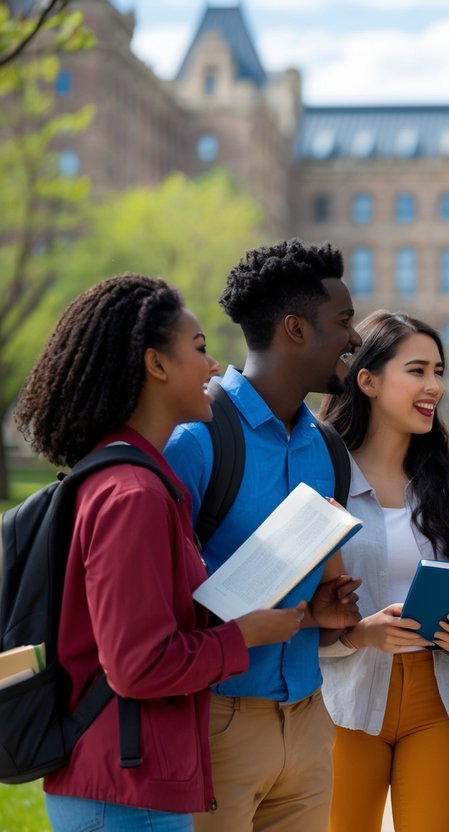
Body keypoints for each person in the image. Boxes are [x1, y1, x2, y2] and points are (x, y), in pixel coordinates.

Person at [15, 275, 304, 831]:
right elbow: (136, 665)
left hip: (127, 784)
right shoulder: (134, 495)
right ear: (156, 364)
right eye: (198, 349)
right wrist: (245, 635)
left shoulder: (130, 478)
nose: (214, 366)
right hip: (124, 794)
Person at [163, 240, 363, 832]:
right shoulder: (196, 440)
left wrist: (322, 613)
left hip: (308, 720)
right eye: (344, 322)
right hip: (216, 721)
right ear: (296, 329)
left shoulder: (326, 448)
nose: (355, 339)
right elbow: (151, 602)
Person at [317, 310, 449, 831]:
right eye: (416, 371)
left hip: (439, 700)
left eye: (438, 371)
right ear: (367, 380)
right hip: (343, 702)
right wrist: (357, 635)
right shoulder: (322, 476)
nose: (434, 386)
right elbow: (289, 610)